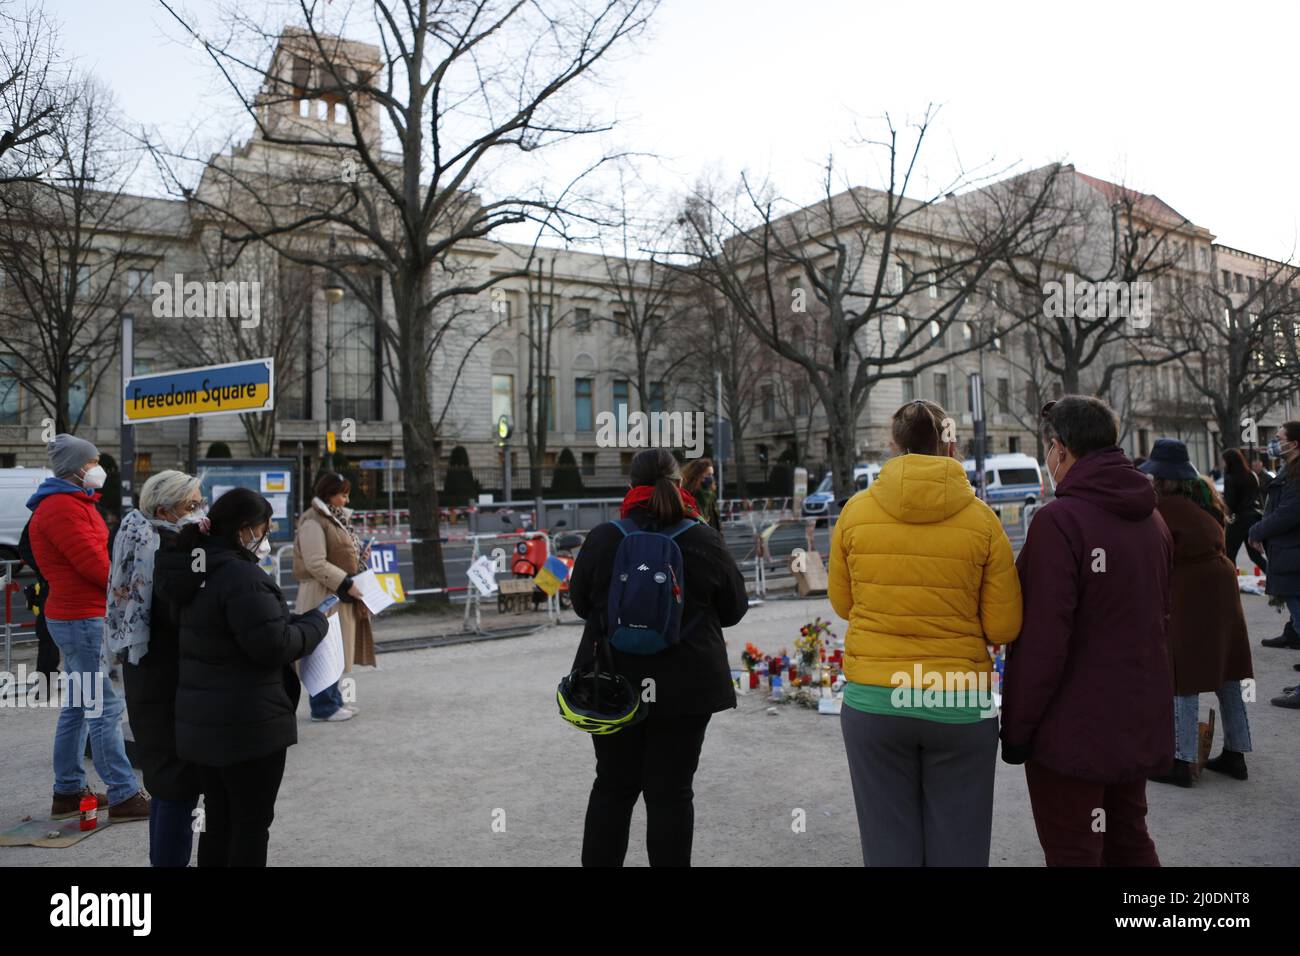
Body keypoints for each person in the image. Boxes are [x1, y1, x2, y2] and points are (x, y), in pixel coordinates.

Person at [828, 399, 1022, 866]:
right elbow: (1004, 626)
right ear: (948, 443)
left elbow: (844, 604)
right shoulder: (983, 521)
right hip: (957, 698)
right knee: (960, 843)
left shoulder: (855, 513)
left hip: (876, 699)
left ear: (894, 447)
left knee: (887, 841)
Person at [1000, 396, 1174, 867]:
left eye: (1048, 450)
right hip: (1134, 716)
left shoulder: (1061, 521)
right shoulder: (1153, 517)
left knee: (1075, 848)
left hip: (1072, 730)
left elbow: (1042, 642)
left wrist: (1017, 730)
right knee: (1129, 839)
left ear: (1059, 449)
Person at [568, 448, 748, 866]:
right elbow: (734, 609)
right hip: (686, 685)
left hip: (612, 683)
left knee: (612, 787)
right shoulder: (703, 538)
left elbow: (580, 604)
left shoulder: (605, 537)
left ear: (631, 486)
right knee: (671, 794)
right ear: (679, 483)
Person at [154, 487, 329, 866]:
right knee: (250, 825)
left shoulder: (196, 566)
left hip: (203, 722)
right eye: (265, 528)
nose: (266, 538)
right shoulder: (240, 575)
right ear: (246, 529)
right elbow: (273, 646)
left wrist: (286, 621)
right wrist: (316, 624)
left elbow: (236, 629)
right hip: (248, 725)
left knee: (219, 820)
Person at [26, 434, 149, 823]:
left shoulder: (71, 503)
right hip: (80, 617)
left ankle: (68, 791)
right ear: (77, 468)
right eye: (93, 461)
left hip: (78, 615)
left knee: (80, 706)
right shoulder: (62, 507)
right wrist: (126, 587)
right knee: (104, 708)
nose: (99, 467)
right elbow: (92, 564)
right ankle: (124, 792)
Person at [1138, 441, 1254, 786]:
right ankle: (1237, 753)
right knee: (1229, 670)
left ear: (1166, 479)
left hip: (1190, 588)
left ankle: (1181, 760)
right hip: (1222, 584)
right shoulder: (1205, 499)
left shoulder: (1162, 508)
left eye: (1155, 475)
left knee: (1183, 672)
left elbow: (1153, 556)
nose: (1152, 481)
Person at [106, 470, 207, 865]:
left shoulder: (137, 536)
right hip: (169, 683)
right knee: (177, 787)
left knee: (166, 783)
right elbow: (181, 614)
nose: (200, 512)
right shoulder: (166, 549)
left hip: (145, 675)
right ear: (165, 510)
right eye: (192, 505)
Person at [292, 472, 373, 722]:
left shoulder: (331, 519)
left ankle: (332, 700)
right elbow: (315, 562)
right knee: (324, 647)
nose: (346, 500)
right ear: (329, 495)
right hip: (323, 592)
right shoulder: (313, 522)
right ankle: (323, 706)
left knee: (334, 646)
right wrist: (346, 581)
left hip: (334, 590)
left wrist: (359, 560)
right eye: (343, 494)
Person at [1250, 422, 1300, 698]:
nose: (1275, 443)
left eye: (1279, 439)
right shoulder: (1288, 470)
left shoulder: (1296, 474)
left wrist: (1256, 530)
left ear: (1294, 444)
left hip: (1293, 557)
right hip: (1289, 554)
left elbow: (1288, 513)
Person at [1223, 447, 1268, 574]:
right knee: (1254, 555)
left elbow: (1230, 502)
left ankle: (1231, 583)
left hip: (1238, 520)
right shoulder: (1251, 475)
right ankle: (1272, 576)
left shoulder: (1231, 478)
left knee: (1229, 554)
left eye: (1225, 461)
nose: (1223, 464)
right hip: (1253, 518)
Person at [681, 458, 722, 531]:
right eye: (709, 474)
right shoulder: (688, 494)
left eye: (712, 474)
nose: (711, 478)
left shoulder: (710, 496)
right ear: (698, 474)